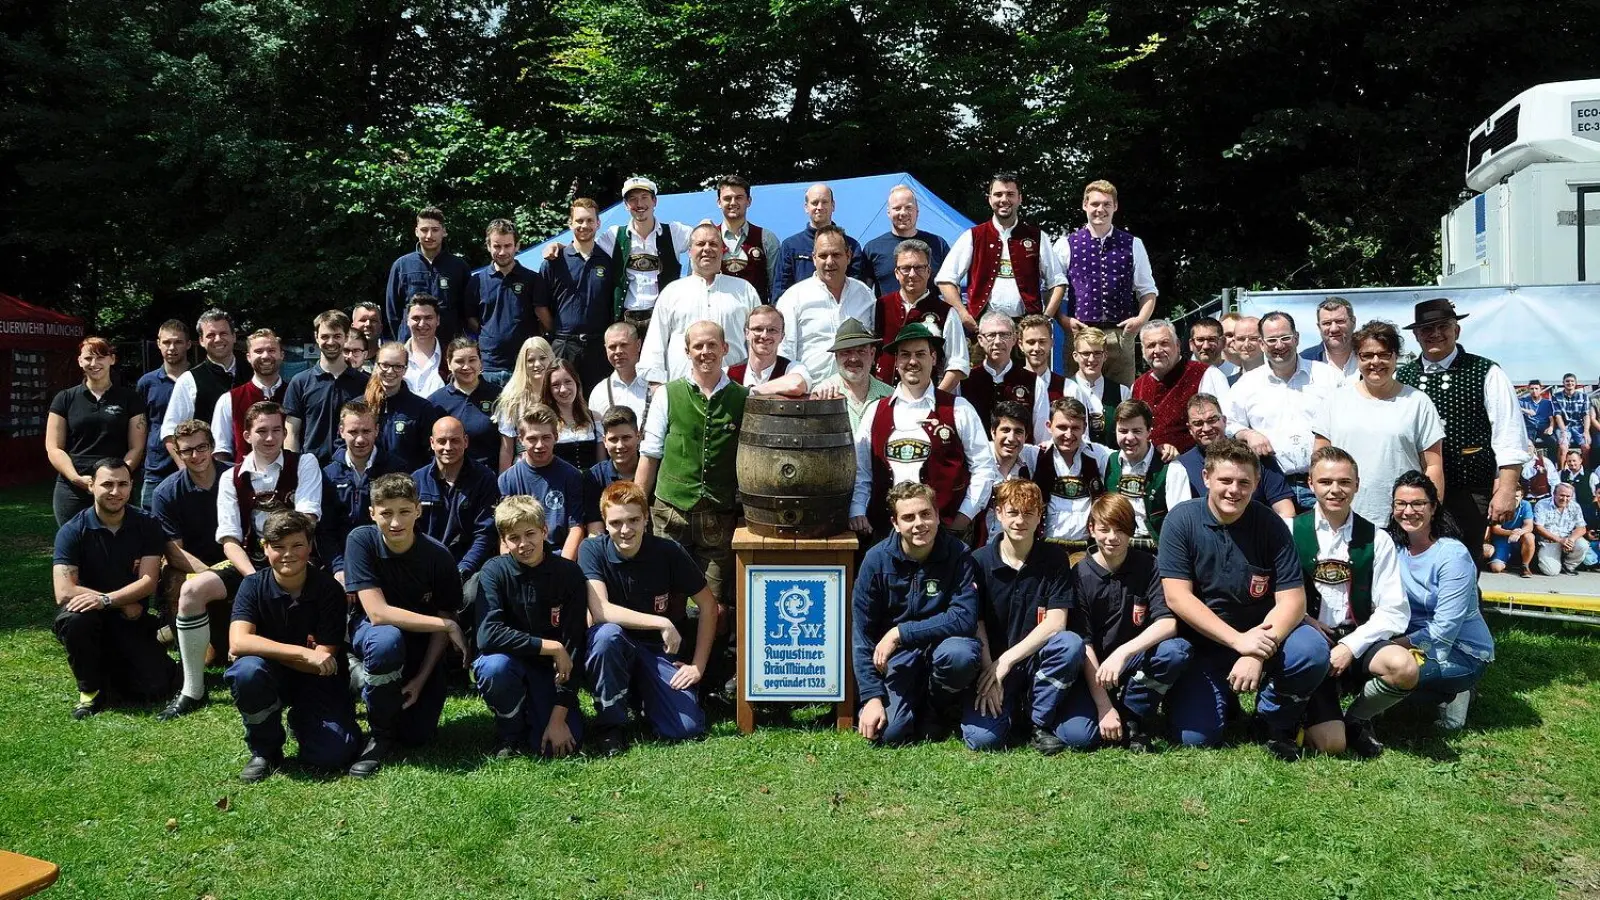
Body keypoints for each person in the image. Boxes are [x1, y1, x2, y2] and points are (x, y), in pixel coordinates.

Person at [1157, 438, 1330, 760]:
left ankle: (1273, 718)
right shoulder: (1181, 521)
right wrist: (1239, 642)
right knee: (1195, 738)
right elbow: (1178, 598)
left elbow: (1293, 601)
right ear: (1206, 478)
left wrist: (1256, 652)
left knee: (1311, 649)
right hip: (1204, 644)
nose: (1233, 490)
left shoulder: (1270, 525)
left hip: (1262, 635)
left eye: (1243, 482)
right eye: (1225, 480)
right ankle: (1220, 697)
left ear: (1256, 483)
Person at [1293, 447, 1417, 759]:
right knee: (1332, 745)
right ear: (1310, 483)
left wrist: (1351, 646)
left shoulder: (1378, 538)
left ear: (1357, 485)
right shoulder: (1289, 530)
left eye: (1344, 482)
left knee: (1405, 667)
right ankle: (1300, 707)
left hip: (1357, 637)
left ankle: (1358, 719)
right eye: (1325, 482)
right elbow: (1276, 598)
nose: (1335, 490)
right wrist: (1305, 621)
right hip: (1310, 641)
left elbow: (1395, 609)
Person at [581, 481, 719, 754]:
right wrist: (661, 621)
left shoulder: (668, 552)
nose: (626, 529)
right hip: (614, 647)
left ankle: (641, 697)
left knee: (685, 728)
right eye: (616, 522)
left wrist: (697, 666)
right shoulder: (592, 550)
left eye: (633, 519)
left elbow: (708, 605)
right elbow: (601, 611)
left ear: (646, 518)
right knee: (606, 635)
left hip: (657, 651)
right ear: (605, 524)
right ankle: (611, 726)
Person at [344, 473, 468, 777]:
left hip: (421, 644)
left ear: (418, 510)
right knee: (387, 640)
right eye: (386, 513)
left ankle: (382, 690)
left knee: (417, 736)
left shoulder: (438, 555)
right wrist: (446, 625)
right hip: (375, 634)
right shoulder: (360, 540)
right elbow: (377, 613)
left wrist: (422, 679)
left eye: (403, 511)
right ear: (372, 513)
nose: (395, 522)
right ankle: (378, 733)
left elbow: (444, 620)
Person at [224, 510, 361, 781]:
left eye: (297, 545)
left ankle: (304, 721)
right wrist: (300, 652)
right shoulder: (252, 586)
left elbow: (322, 662)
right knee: (247, 672)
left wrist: (259, 647)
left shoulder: (329, 590)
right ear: (265, 548)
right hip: (270, 676)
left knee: (333, 755)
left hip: (318, 683)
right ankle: (265, 749)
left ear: (310, 546)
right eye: (278, 547)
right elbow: (238, 641)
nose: (288, 554)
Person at [1396, 298, 1528, 561]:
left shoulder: (1485, 371)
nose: (1435, 333)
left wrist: (1506, 490)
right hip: (1414, 493)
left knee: (1464, 561)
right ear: (1416, 335)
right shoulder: (1402, 378)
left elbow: (1509, 434)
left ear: (1456, 330)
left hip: (1469, 491)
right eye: (1426, 329)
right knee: (1414, 560)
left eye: (1442, 326)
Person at [1058, 494, 1192, 751]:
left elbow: (1168, 623)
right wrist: (1103, 706)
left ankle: (1133, 713)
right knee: (1080, 738)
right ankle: (1108, 708)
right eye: (1104, 529)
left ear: (1132, 531)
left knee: (1176, 650)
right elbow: (1083, 644)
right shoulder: (1080, 575)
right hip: (1093, 669)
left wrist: (1123, 653)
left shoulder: (1149, 565)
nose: (1112, 537)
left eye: (1120, 530)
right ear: (1091, 530)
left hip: (1132, 662)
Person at [853, 482, 982, 745]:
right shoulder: (876, 560)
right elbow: (862, 635)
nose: (919, 524)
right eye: (908, 517)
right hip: (899, 658)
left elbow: (964, 617)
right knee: (889, 734)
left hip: (943, 647)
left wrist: (901, 632)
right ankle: (910, 706)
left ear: (936, 514)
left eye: (925, 514)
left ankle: (938, 708)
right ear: (895, 523)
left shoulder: (959, 554)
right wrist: (871, 697)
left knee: (960, 655)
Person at [960, 480, 1083, 752]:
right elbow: (976, 623)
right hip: (992, 663)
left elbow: (1056, 623)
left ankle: (1038, 721)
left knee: (1070, 643)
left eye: (1028, 513)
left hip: (1034, 662)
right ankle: (1009, 712)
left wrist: (1006, 661)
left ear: (1040, 515)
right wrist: (991, 672)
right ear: (999, 513)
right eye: (1013, 512)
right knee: (983, 742)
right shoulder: (978, 561)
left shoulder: (1054, 558)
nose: (1020, 521)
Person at [850, 322, 998, 543]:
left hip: (945, 534)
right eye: (905, 355)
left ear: (934, 358)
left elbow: (983, 468)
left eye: (920, 354)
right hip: (886, 533)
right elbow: (862, 473)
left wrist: (963, 516)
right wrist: (857, 510)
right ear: (897, 361)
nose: (912, 362)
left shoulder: (959, 408)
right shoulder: (874, 411)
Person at [637, 321, 746, 621]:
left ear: (725, 348)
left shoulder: (742, 397)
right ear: (687, 351)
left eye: (712, 344)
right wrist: (636, 505)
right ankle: (667, 663)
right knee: (667, 597)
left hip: (718, 516)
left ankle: (707, 667)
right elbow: (650, 453)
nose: (705, 351)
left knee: (713, 603)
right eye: (698, 346)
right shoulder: (667, 395)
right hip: (671, 512)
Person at [51, 457, 175, 719]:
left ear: (131, 487)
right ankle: (89, 691)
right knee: (75, 621)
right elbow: (64, 591)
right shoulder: (73, 530)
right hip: (89, 615)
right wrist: (109, 601)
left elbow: (148, 581)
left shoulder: (147, 524)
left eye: (122, 484)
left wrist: (109, 601)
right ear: (92, 486)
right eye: (107, 484)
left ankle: (111, 670)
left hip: (129, 619)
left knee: (156, 688)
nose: (115, 492)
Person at [474, 495, 589, 759]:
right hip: (509, 661)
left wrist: (559, 718)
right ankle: (510, 731)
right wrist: (549, 646)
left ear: (544, 531)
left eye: (530, 534)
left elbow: (573, 646)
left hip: (550, 671)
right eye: (514, 538)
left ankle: (543, 713)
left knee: (558, 747)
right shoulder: (494, 571)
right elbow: (487, 635)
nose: (524, 544)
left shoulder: (568, 574)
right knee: (494, 668)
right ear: (504, 540)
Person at [1387, 470, 1495, 730]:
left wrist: (1389, 647)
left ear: (1433, 508)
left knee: (1385, 671)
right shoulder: (1395, 548)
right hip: (1411, 639)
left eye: (1418, 504)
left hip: (1461, 650)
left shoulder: (1452, 555)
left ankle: (1457, 691)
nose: (1408, 511)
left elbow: (1445, 628)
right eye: (1400, 504)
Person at [1314, 320, 1445, 528]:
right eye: (1367, 355)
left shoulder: (1418, 402)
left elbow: (1433, 466)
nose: (1376, 362)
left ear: (1395, 357)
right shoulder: (1334, 401)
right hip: (1344, 518)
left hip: (1403, 519)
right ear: (1357, 357)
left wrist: (1432, 516)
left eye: (1384, 354)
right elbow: (1319, 462)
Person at [149, 420, 239, 721]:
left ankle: (173, 633)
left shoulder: (236, 476)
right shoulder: (167, 492)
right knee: (174, 580)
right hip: (195, 568)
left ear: (212, 446)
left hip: (238, 561)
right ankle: (190, 673)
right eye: (187, 451)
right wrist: (212, 574)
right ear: (177, 452)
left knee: (226, 655)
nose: (196, 456)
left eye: (202, 447)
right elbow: (173, 551)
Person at [1225, 311, 1343, 510]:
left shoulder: (1330, 378)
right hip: (1271, 487)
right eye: (1271, 340)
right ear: (1262, 344)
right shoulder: (1246, 384)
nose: (1279, 346)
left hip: (1323, 484)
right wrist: (1248, 434)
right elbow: (1228, 423)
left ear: (1296, 338)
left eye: (1285, 338)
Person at [1055, 180, 1158, 385]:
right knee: (1074, 402)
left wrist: (1139, 322)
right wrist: (1064, 321)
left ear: (1115, 206)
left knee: (1122, 402)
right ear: (1085, 205)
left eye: (1106, 204)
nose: (1100, 209)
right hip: (1080, 335)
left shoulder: (1133, 244)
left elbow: (1147, 290)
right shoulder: (1065, 244)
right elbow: (1052, 291)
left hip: (1120, 335)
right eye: (1094, 204)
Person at [936, 173, 1065, 335]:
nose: (1004, 199)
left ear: (1020, 198)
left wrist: (1045, 319)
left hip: (1026, 330)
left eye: (1010, 194)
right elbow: (945, 280)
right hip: (982, 327)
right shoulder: (973, 236)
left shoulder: (1037, 237)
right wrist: (963, 314)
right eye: (998, 194)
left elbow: (1058, 282)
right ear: (990, 199)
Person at [641, 223, 761, 386]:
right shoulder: (672, 292)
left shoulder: (744, 290)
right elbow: (656, 341)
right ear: (690, 251)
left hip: (734, 388)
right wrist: (655, 384)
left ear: (722, 250)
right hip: (682, 388)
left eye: (713, 244)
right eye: (700, 244)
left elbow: (758, 339)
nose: (707, 249)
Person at [47, 337, 147, 524]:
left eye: (100, 357)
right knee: (75, 547)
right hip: (73, 489)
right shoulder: (64, 398)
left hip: (116, 488)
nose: (94, 364)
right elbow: (53, 448)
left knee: (119, 546)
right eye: (88, 358)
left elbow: (137, 447)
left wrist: (116, 479)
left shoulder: (130, 399)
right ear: (79, 361)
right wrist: (76, 479)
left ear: (112, 359)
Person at [1166, 394, 1298, 520]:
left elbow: (1285, 511)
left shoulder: (1256, 456)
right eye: (1198, 423)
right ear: (1189, 428)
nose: (1206, 428)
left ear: (1224, 420)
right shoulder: (1182, 467)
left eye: (1212, 420)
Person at [775, 223, 876, 382]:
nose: (829, 262)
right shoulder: (793, 298)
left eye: (836, 255)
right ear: (814, 258)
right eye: (823, 256)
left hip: (857, 392)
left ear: (848, 256)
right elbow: (783, 353)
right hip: (811, 395)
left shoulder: (865, 295)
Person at [319, 401, 400, 584]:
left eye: (366, 431)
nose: (360, 439)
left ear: (377, 430)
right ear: (341, 431)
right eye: (353, 432)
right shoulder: (328, 475)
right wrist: (338, 567)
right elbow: (325, 531)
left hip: (386, 563)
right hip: (342, 564)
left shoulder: (396, 469)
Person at [540, 198, 617, 391]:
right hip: (563, 346)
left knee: (598, 405)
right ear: (570, 223)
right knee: (561, 401)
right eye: (579, 221)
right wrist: (559, 333)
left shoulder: (609, 260)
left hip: (599, 347)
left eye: (590, 221)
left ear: (598, 223)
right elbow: (540, 305)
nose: (584, 226)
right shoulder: (554, 262)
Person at [872, 238, 970, 391]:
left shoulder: (946, 312)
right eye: (905, 268)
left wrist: (934, 398)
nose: (912, 274)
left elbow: (957, 365)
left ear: (929, 271)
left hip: (928, 401)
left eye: (919, 267)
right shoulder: (879, 306)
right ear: (896, 273)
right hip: (883, 397)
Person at [598, 176, 693, 331]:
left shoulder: (674, 232)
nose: (639, 204)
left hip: (664, 319)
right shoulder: (614, 235)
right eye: (633, 199)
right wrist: (560, 246)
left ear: (654, 201)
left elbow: (705, 236)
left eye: (644, 197)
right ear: (626, 205)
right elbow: (586, 250)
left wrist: (706, 223)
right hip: (625, 320)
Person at [413, 416, 500, 581]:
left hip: (470, 569)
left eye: (455, 440)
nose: (448, 447)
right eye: (442, 441)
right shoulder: (417, 481)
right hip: (424, 568)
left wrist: (464, 569)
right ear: (432, 443)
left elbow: (485, 533)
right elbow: (412, 533)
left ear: (465, 441)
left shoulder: (484, 479)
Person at [961, 311, 1069, 442]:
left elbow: (1042, 438)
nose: (997, 341)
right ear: (980, 340)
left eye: (1004, 335)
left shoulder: (1034, 382)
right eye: (991, 335)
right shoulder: (965, 381)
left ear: (1014, 339)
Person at [160, 309, 247, 469]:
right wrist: (187, 470)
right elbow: (169, 432)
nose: (218, 339)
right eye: (210, 335)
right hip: (209, 473)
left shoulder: (252, 372)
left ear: (234, 336)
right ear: (200, 340)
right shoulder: (189, 380)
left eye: (223, 333)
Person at [498, 405, 586, 561]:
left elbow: (576, 528)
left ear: (556, 437)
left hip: (559, 554)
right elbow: (504, 535)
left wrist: (563, 568)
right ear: (521, 440)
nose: (539, 445)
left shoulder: (571, 476)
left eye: (546, 437)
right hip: (521, 556)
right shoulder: (508, 479)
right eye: (532, 438)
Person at [1131, 319, 1230, 456]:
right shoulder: (1137, 385)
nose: (1157, 350)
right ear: (1143, 351)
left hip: (1197, 465)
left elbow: (1226, 424)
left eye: (1164, 343)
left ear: (1177, 345)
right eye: (1151, 345)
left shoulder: (1207, 374)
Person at [464, 218, 545, 386]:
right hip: (489, 366)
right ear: (488, 246)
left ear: (517, 246)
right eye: (497, 246)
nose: (502, 252)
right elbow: (470, 317)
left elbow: (541, 316)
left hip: (524, 365)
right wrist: (490, 334)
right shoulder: (476, 282)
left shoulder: (532, 279)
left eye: (507, 246)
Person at [284, 310, 368, 463]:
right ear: (316, 337)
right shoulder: (300, 382)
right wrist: (294, 468)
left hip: (353, 468)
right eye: (324, 336)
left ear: (346, 337)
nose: (330, 342)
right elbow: (291, 432)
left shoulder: (364, 383)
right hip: (311, 468)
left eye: (336, 336)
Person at [1034, 397, 1112, 547]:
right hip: (1045, 548)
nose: (1068, 435)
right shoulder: (1036, 455)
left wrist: (1161, 449)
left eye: (1075, 428)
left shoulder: (1098, 454)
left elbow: (1128, 457)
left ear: (1084, 427)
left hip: (1087, 549)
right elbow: (1000, 451)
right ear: (1049, 426)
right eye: (1062, 427)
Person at [384, 206, 470, 343]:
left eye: (435, 230)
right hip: (411, 346)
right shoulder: (401, 266)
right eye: (424, 230)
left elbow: (466, 311)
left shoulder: (459, 267)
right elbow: (393, 312)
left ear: (444, 231)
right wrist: (403, 339)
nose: (429, 235)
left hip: (449, 347)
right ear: (416, 231)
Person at [770, 183, 867, 298]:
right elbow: (780, 291)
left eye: (824, 202)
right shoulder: (791, 246)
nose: (819, 207)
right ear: (806, 207)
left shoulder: (851, 245)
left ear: (833, 205)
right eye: (814, 203)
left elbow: (857, 289)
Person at [135, 319, 191, 508]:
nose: (172, 348)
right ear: (158, 344)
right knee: (150, 530)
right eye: (166, 342)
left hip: (195, 465)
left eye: (178, 342)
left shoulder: (199, 379)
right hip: (156, 469)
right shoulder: (147, 383)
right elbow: (140, 426)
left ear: (189, 344)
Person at [364, 341, 441, 474]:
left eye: (398, 366)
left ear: (405, 369)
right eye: (385, 365)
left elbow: (431, 454)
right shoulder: (361, 406)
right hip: (369, 485)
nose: (390, 371)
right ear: (376, 366)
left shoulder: (421, 408)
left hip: (407, 487)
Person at [211, 329, 287, 463]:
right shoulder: (229, 399)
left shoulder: (295, 394)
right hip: (244, 480)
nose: (265, 356)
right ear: (248, 357)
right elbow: (220, 451)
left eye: (271, 350)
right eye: (258, 351)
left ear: (281, 355)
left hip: (289, 478)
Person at [428, 337, 503, 472]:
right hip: (451, 477)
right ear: (449, 364)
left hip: (490, 477)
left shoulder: (499, 396)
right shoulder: (436, 402)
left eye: (472, 360)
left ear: (480, 362)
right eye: (459, 361)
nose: (466, 366)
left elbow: (508, 443)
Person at [861, 185, 951, 296]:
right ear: (888, 212)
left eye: (908, 207)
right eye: (897, 208)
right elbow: (863, 293)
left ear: (917, 211)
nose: (903, 213)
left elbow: (951, 285)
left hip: (930, 313)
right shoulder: (873, 249)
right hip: (889, 312)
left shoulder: (938, 244)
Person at [808, 318, 894, 431]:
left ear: (872, 354)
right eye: (846, 352)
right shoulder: (823, 394)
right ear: (836, 357)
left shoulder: (891, 397)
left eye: (861, 351)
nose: (853, 359)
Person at [1104, 399, 1170, 542]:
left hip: (1156, 550)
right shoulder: (1107, 460)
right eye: (1123, 431)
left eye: (1136, 431)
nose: (1129, 438)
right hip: (1118, 546)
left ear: (1149, 431)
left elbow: (1180, 520)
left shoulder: (1171, 467)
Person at [980, 401, 1041, 542]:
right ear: (993, 432)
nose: (1011, 438)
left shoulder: (1032, 457)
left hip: (1017, 548)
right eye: (1005, 430)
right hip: (979, 546)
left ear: (1026, 436)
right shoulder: (977, 457)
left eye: (1018, 431)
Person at [714, 174, 780, 303]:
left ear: (749, 201)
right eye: (727, 198)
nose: (733, 202)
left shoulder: (766, 238)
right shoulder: (707, 240)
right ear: (719, 203)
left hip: (756, 318)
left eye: (739, 197)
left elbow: (776, 287)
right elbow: (695, 283)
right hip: (717, 317)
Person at [494, 337, 556, 471]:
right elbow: (507, 449)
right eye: (530, 360)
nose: (537, 364)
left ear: (550, 359)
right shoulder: (512, 398)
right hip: (524, 468)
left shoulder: (559, 392)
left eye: (542, 358)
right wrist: (503, 486)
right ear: (523, 363)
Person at [728, 305, 810, 396]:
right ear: (746, 333)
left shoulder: (793, 368)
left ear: (782, 336)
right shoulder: (728, 373)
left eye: (772, 330)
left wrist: (750, 392)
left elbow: (796, 385)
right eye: (758, 329)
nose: (764, 336)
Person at [584, 406, 642, 532]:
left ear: (638, 437)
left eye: (626, 438)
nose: (620, 445)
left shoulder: (653, 470)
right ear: (604, 441)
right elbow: (595, 531)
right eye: (613, 439)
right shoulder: (594, 477)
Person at [1070, 326, 1131, 447]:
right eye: (1086, 353)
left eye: (1097, 353)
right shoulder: (1064, 388)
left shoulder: (1122, 392)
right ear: (1075, 356)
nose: (1092, 359)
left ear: (1105, 356)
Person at [587, 321, 648, 423]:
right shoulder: (599, 392)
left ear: (638, 345)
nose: (618, 351)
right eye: (612, 347)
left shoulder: (656, 385)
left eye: (624, 345)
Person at [547, 359, 601, 469]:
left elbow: (602, 463)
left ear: (576, 382)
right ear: (549, 389)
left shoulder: (594, 418)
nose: (563, 389)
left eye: (568, 381)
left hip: (592, 483)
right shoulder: (546, 421)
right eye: (555, 385)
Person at [1533, 482, 1589, 575]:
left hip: (1567, 539)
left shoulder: (1575, 506)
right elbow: (1538, 527)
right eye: (1562, 495)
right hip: (1549, 541)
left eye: (1568, 496)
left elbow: (1582, 527)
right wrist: (1560, 540)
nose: (1565, 499)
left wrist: (1571, 539)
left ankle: (1568, 566)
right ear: (1554, 494)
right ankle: (1542, 560)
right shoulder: (1542, 504)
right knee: (1551, 572)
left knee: (1583, 545)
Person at [398, 294, 447, 399]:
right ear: (407, 320)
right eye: (416, 318)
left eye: (428, 318)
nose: (421, 324)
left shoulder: (450, 357)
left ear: (437, 320)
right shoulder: (395, 357)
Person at [1300, 297, 1360, 381]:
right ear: (1319, 327)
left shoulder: (1371, 357)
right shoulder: (1304, 360)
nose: (1334, 329)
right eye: (1327, 323)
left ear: (1353, 322)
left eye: (1340, 321)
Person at [1488, 486, 1536, 576]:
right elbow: (1495, 529)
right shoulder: (1499, 506)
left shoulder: (1526, 505)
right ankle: (1506, 562)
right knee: (1496, 568)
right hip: (1502, 538)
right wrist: (1511, 532)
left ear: (1521, 496)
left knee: (1529, 536)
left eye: (1517, 496)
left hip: (1519, 537)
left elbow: (1529, 526)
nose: (1514, 499)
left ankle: (1525, 566)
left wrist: (1519, 532)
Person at [1552, 372, 1591, 461]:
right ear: (1563, 383)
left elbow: (1586, 415)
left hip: (1579, 426)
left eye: (1572, 381)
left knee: (1586, 446)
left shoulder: (1584, 396)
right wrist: (1563, 431)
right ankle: (1561, 472)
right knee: (1563, 447)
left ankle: (1586, 472)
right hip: (1564, 426)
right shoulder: (1556, 396)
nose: (1570, 383)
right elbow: (1558, 416)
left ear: (1576, 383)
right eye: (1567, 381)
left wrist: (1586, 431)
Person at [1521, 379, 1557, 457]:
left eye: (1536, 388)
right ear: (1528, 389)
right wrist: (1526, 410)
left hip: (1543, 428)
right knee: (1527, 444)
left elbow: (1551, 418)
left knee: (1553, 441)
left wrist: (1551, 427)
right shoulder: (1523, 401)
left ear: (1540, 389)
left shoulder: (1547, 403)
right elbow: (1512, 406)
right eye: (1532, 389)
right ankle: (1530, 466)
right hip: (1529, 428)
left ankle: (1552, 465)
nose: (1534, 391)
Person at [1226, 315, 1264, 385]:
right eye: (1241, 339)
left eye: (1253, 338)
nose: (1246, 345)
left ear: (1263, 342)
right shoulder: (1227, 384)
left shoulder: (1279, 379)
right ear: (1234, 343)